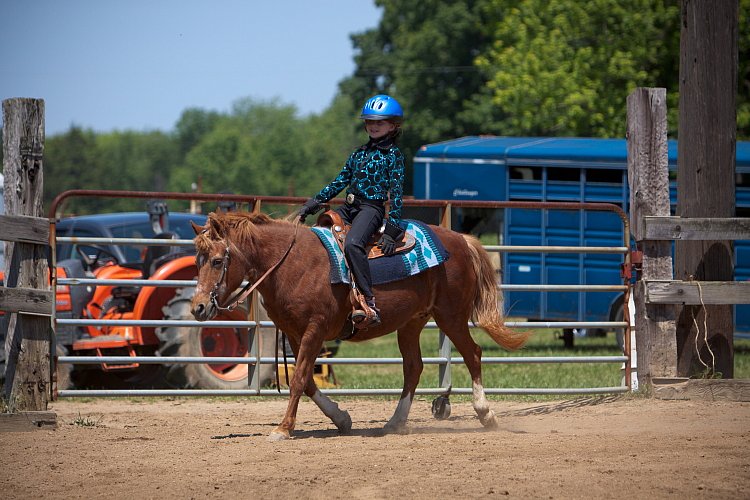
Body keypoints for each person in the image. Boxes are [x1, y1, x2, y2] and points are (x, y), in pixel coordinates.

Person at [298, 94, 406, 325]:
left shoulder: (394, 156)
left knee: (354, 243)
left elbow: (396, 193)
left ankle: (368, 300)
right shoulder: (358, 153)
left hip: (371, 209)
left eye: (380, 122)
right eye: (369, 122)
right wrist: (315, 201)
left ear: (393, 126)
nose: (373, 126)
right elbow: (340, 181)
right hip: (349, 206)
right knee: (318, 235)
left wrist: (393, 228)